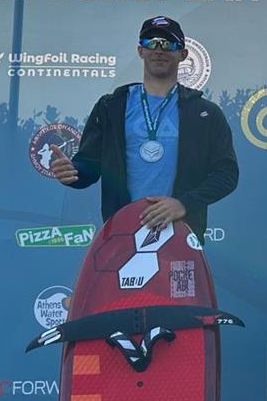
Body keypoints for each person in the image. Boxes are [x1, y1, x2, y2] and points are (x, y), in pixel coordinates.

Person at [50, 16, 238, 242]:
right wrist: (72, 172)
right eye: (151, 42)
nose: (159, 49)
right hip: (122, 232)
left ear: (183, 54)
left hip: (181, 233)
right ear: (140, 51)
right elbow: (89, 165)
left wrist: (184, 204)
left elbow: (226, 174)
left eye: (168, 44)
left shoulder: (205, 113)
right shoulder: (111, 106)